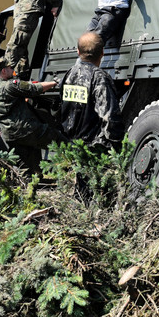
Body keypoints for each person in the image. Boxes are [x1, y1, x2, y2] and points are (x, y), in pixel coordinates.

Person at [60, 32, 123, 202]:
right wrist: (116, 147)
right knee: (97, 194)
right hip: (94, 146)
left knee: (81, 190)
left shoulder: (69, 75)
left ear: (77, 51)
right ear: (102, 52)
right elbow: (109, 115)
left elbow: (61, 108)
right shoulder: (99, 78)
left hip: (72, 141)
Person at [0, 56, 63, 174]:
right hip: (26, 129)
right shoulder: (10, 85)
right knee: (62, 143)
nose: (12, 70)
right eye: (9, 68)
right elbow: (33, 89)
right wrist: (54, 83)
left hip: (10, 134)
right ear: (3, 70)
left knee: (26, 167)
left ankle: (31, 187)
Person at [4, 0, 62, 80]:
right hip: (23, 13)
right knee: (22, 49)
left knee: (14, 45)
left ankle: (5, 75)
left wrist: (54, 3)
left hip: (28, 13)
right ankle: (22, 76)